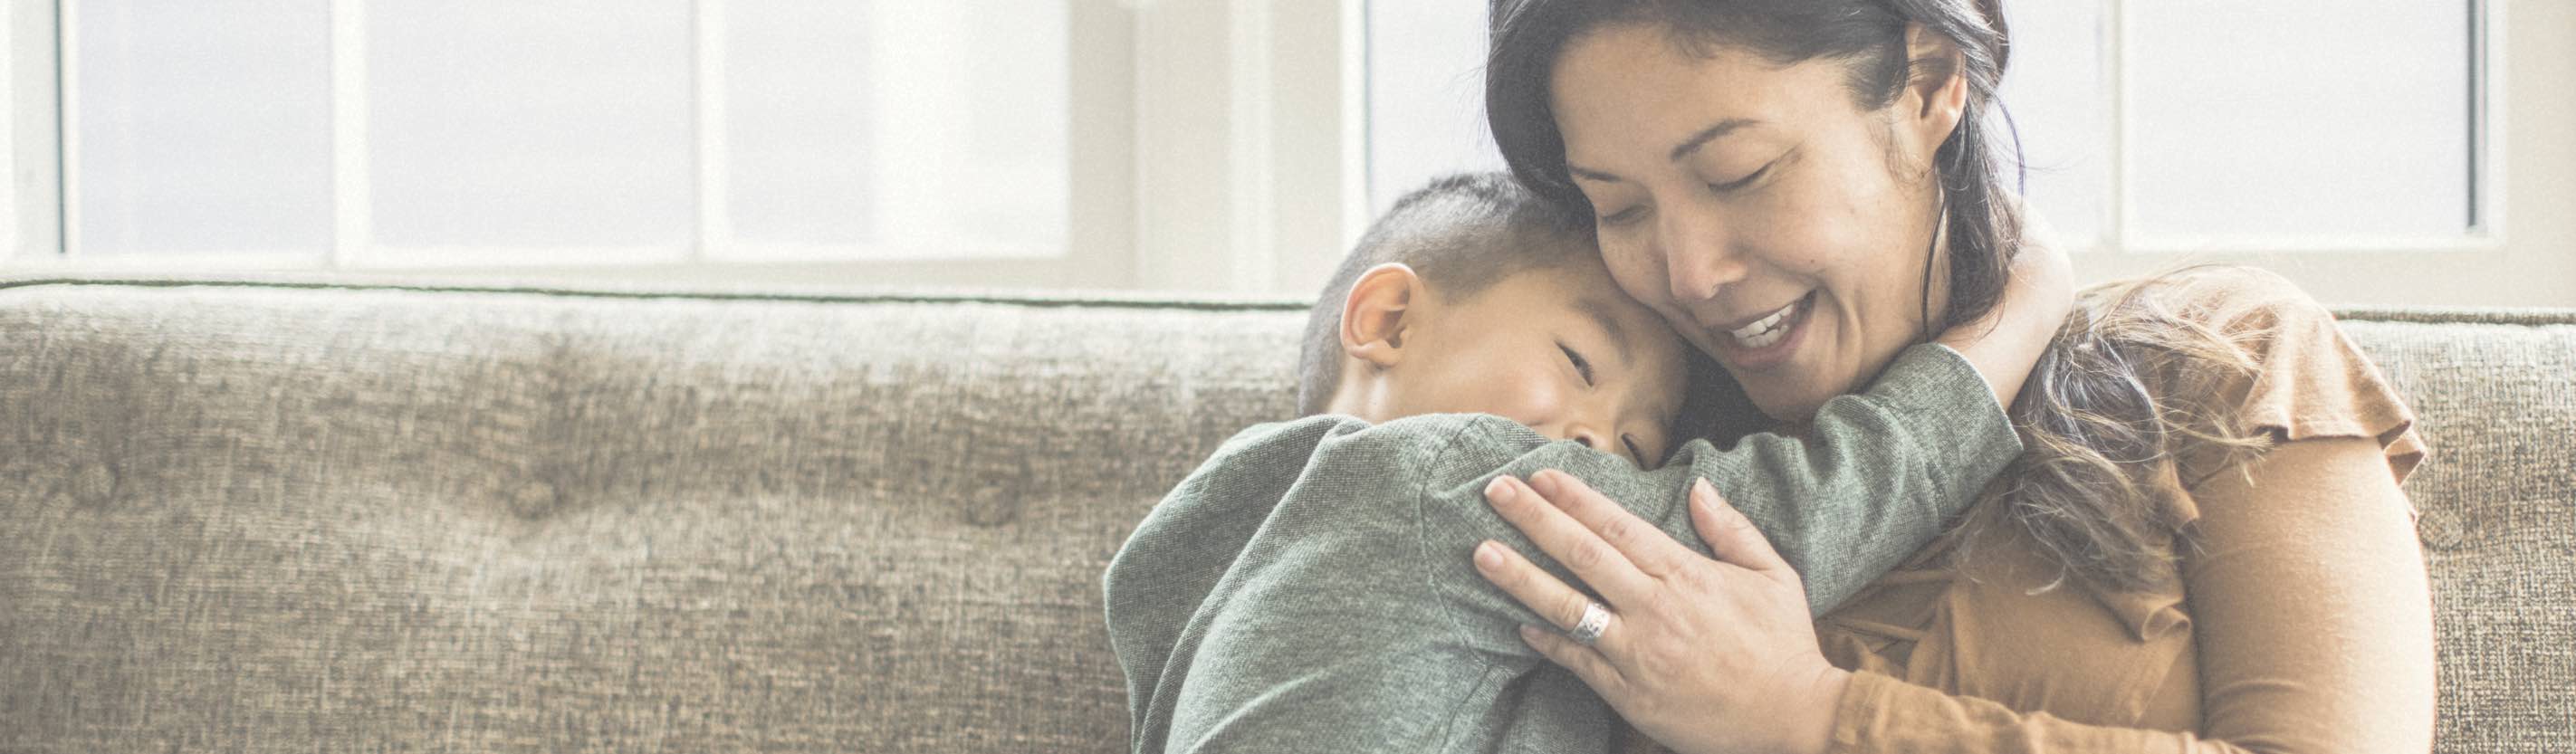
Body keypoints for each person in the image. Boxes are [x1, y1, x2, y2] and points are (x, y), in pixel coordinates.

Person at [1464, 1, 2436, 752]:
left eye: (1739, 173)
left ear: (1928, 83)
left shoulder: (2216, 364)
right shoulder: (1624, 471)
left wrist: (1808, 714)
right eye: (1620, 209)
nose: (1688, 273)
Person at [1103, 171, 2070, 753]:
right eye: (1578, 363)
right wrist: (2018, 312)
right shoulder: (1436, 479)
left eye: (1641, 445)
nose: (1600, 443)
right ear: (1387, 318)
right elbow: (1787, 516)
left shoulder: (1209, 541)